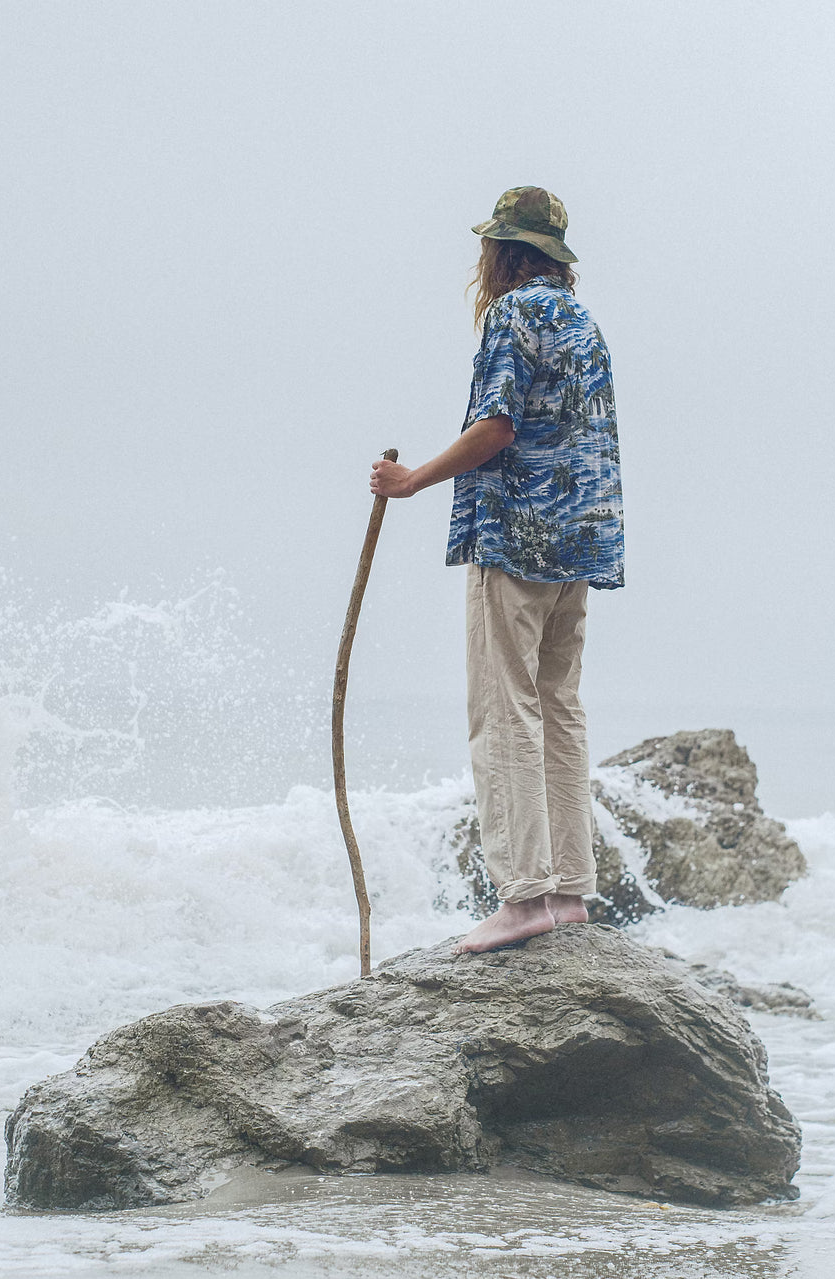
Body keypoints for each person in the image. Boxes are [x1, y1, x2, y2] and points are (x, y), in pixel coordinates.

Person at [370, 185, 624, 954]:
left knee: (505, 708)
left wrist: (411, 481)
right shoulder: (582, 321)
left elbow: (498, 426)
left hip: (515, 537)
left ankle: (522, 898)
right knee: (558, 706)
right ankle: (568, 891)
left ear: (504, 252)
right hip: (579, 542)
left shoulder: (513, 315)